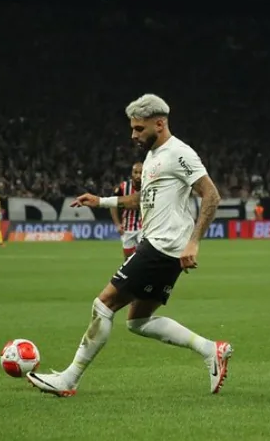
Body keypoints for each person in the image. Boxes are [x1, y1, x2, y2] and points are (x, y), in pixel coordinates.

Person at [26, 94, 232, 397]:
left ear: (159, 124)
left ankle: (69, 379)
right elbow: (141, 200)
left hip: (162, 247)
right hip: (161, 247)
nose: (133, 135)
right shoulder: (152, 157)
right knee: (137, 321)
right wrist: (101, 201)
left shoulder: (179, 153)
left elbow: (211, 195)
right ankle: (211, 349)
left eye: (138, 128)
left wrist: (193, 243)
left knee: (103, 304)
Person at [111, 162, 143, 258]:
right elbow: (113, 205)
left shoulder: (149, 186)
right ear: (131, 173)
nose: (138, 175)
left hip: (144, 228)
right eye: (135, 172)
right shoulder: (123, 187)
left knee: (144, 256)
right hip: (127, 228)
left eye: (141, 173)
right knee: (128, 259)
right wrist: (117, 224)